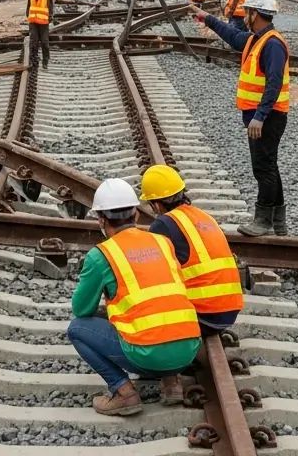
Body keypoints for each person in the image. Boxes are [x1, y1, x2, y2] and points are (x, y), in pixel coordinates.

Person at [67, 178, 200, 415]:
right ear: (136, 214)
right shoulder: (163, 242)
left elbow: (81, 310)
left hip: (147, 356)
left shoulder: (101, 254)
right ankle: (172, 383)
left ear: (101, 220)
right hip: (188, 350)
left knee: (77, 329)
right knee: (159, 309)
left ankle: (123, 393)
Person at [192, 0, 289, 236]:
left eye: (247, 11)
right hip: (262, 116)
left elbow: (274, 83)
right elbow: (232, 35)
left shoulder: (272, 44)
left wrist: (260, 116)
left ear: (255, 13)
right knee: (269, 165)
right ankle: (278, 221)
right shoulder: (256, 39)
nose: (244, 16)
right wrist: (206, 17)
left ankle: (263, 221)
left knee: (263, 168)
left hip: (268, 117)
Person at [139, 165, 244, 335]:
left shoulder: (163, 224)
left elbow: (154, 275)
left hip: (202, 314)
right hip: (230, 310)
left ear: (157, 205)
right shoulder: (203, 216)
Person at [26, 0, 54, 70]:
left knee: (45, 43)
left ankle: (45, 61)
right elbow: (28, 7)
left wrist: (49, 18)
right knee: (33, 43)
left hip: (43, 24)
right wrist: (29, 17)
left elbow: (50, 8)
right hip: (33, 23)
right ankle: (33, 61)